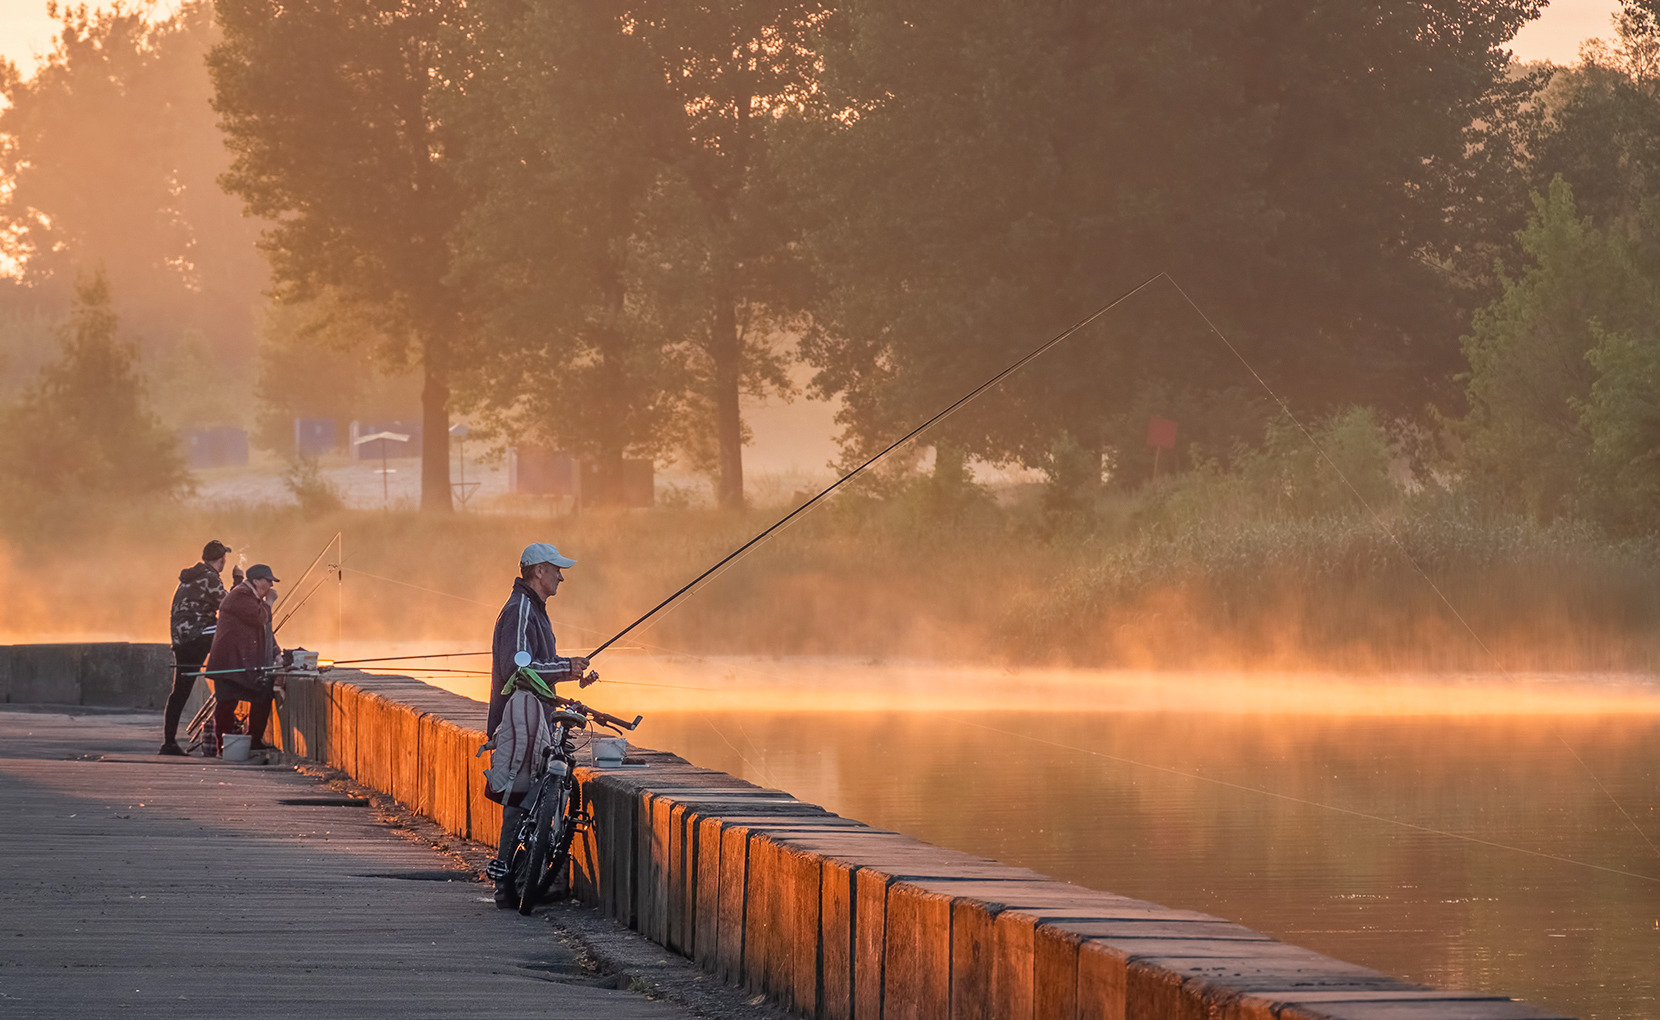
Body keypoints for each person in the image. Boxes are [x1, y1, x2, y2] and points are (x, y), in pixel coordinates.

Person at [483, 542, 590, 907]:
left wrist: (568, 669)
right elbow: (517, 668)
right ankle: (505, 888)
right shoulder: (521, 609)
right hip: (519, 721)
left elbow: (535, 662)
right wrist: (564, 667)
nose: (561, 576)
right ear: (539, 571)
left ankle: (520, 881)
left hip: (532, 719)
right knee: (516, 800)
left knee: (525, 799)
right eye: (556, 570)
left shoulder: (534, 609)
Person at [160, 540, 232, 755]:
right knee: (233, 641)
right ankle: (231, 693)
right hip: (198, 634)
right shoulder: (210, 577)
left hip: (181, 638)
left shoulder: (190, 578)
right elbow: (230, 605)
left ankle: (169, 742)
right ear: (221, 560)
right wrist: (238, 580)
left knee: (180, 690)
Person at [205, 563, 280, 754]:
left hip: (241, 663)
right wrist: (270, 602)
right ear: (256, 580)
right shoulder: (240, 596)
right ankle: (225, 746)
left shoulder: (250, 597)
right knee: (227, 703)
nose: (270, 585)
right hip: (230, 663)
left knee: (261, 695)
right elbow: (260, 618)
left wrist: (277, 653)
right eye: (268, 581)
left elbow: (265, 631)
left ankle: (253, 740)